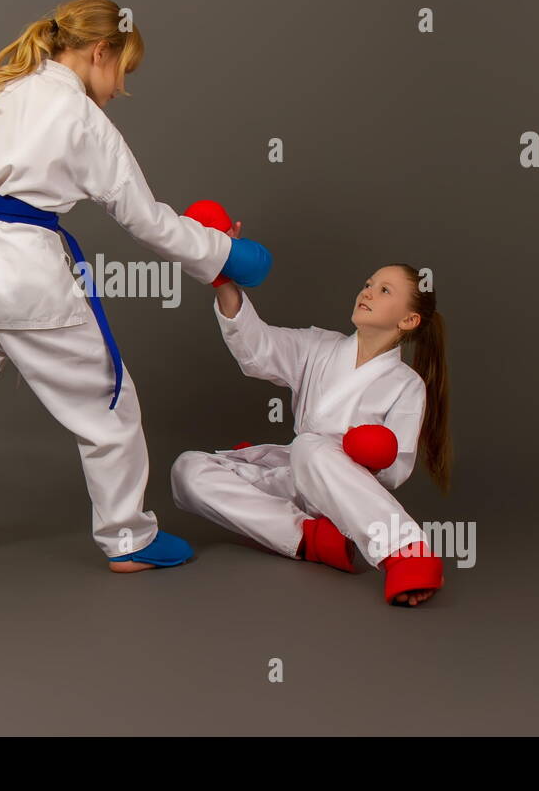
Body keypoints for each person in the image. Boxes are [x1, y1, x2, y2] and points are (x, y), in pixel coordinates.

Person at [0, 0, 272, 576]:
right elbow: (145, 218)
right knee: (108, 408)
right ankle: (127, 538)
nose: (121, 88)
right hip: (29, 277)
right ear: (101, 51)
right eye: (124, 70)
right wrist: (226, 254)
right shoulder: (85, 120)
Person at [171, 256, 452, 606]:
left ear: (409, 320)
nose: (367, 293)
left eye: (384, 290)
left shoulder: (406, 384)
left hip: (346, 493)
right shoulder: (318, 346)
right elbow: (258, 348)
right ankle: (311, 539)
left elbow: (396, 472)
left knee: (310, 447)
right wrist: (224, 282)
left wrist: (376, 456)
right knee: (187, 471)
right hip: (293, 480)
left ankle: (406, 551)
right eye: (367, 284)